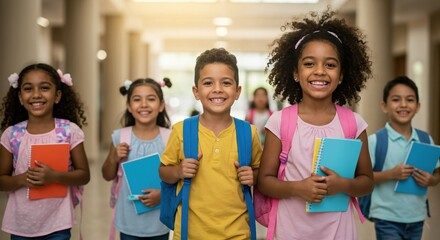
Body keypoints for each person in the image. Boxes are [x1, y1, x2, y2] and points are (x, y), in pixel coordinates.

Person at [257, 9, 374, 239]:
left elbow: (367, 182)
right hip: (290, 230)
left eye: (330, 65)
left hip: (338, 231)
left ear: (341, 76)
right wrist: (297, 187)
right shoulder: (280, 121)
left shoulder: (353, 123)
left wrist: (343, 185)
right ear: (295, 73)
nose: (319, 71)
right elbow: (264, 182)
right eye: (309, 63)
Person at [159, 48, 262, 239]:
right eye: (208, 83)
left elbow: (261, 173)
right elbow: (164, 171)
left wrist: (253, 176)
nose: (217, 89)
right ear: (196, 92)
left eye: (226, 83)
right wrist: (178, 172)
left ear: (238, 91)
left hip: (238, 233)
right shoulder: (181, 130)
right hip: (190, 233)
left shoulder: (249, 133)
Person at [0, 63, 90, 239]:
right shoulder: (12, 135)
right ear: (20, 97)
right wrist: (21, 179)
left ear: (57, 96)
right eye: (28, 89)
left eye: (44, 88)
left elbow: (84, 175)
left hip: (58, 224)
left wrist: (54, 176)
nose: (36, 95)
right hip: (20, 225)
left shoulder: (69, 131)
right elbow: (1, 181)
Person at [367, 76, 440, 240]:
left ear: (418, 106)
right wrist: (391, 174)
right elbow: (363, 179)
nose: (403, 105)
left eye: (410, 100)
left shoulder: (426, 140)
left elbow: (436, 175)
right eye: (396, 99)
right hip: (386, 218)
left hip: (417, 218)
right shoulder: (375, 141)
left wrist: (431, 180)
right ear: (384, 106)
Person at [101, 78, 172, 240]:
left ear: (161, 105)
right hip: (129, 221)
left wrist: (162, 195)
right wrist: (114, 157)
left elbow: (177, 177)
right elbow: (107, 175)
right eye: (137, 99)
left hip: (159, 222)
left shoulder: (169, 139)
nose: (144, 104)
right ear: (129, 106)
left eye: (151, 99)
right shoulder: (120, 136)